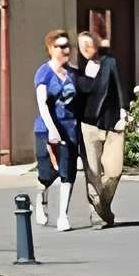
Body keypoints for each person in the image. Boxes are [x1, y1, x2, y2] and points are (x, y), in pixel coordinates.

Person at [74, 26, 129, 227]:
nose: (87, 48)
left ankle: (101, 204)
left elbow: (121, 86)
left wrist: (123, 112)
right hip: (88, 126)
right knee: (93, 172)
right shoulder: (77, 71)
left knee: (114, 171)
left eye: (90, 43)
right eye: (82, 46)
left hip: (113, 123)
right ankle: (97, 215)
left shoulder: (110, 63)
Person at [32, 28, 82, 232]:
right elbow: (42, 105)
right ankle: (41, 201)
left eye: (67, 46)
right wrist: (53, 131)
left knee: (67, 173)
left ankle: (63, 215)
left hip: (70, 128)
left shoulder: (73, 73)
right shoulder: (43, 72)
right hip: (47, 129)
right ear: (50, 49)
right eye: (60, 46)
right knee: (47, 174)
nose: (65, 49)